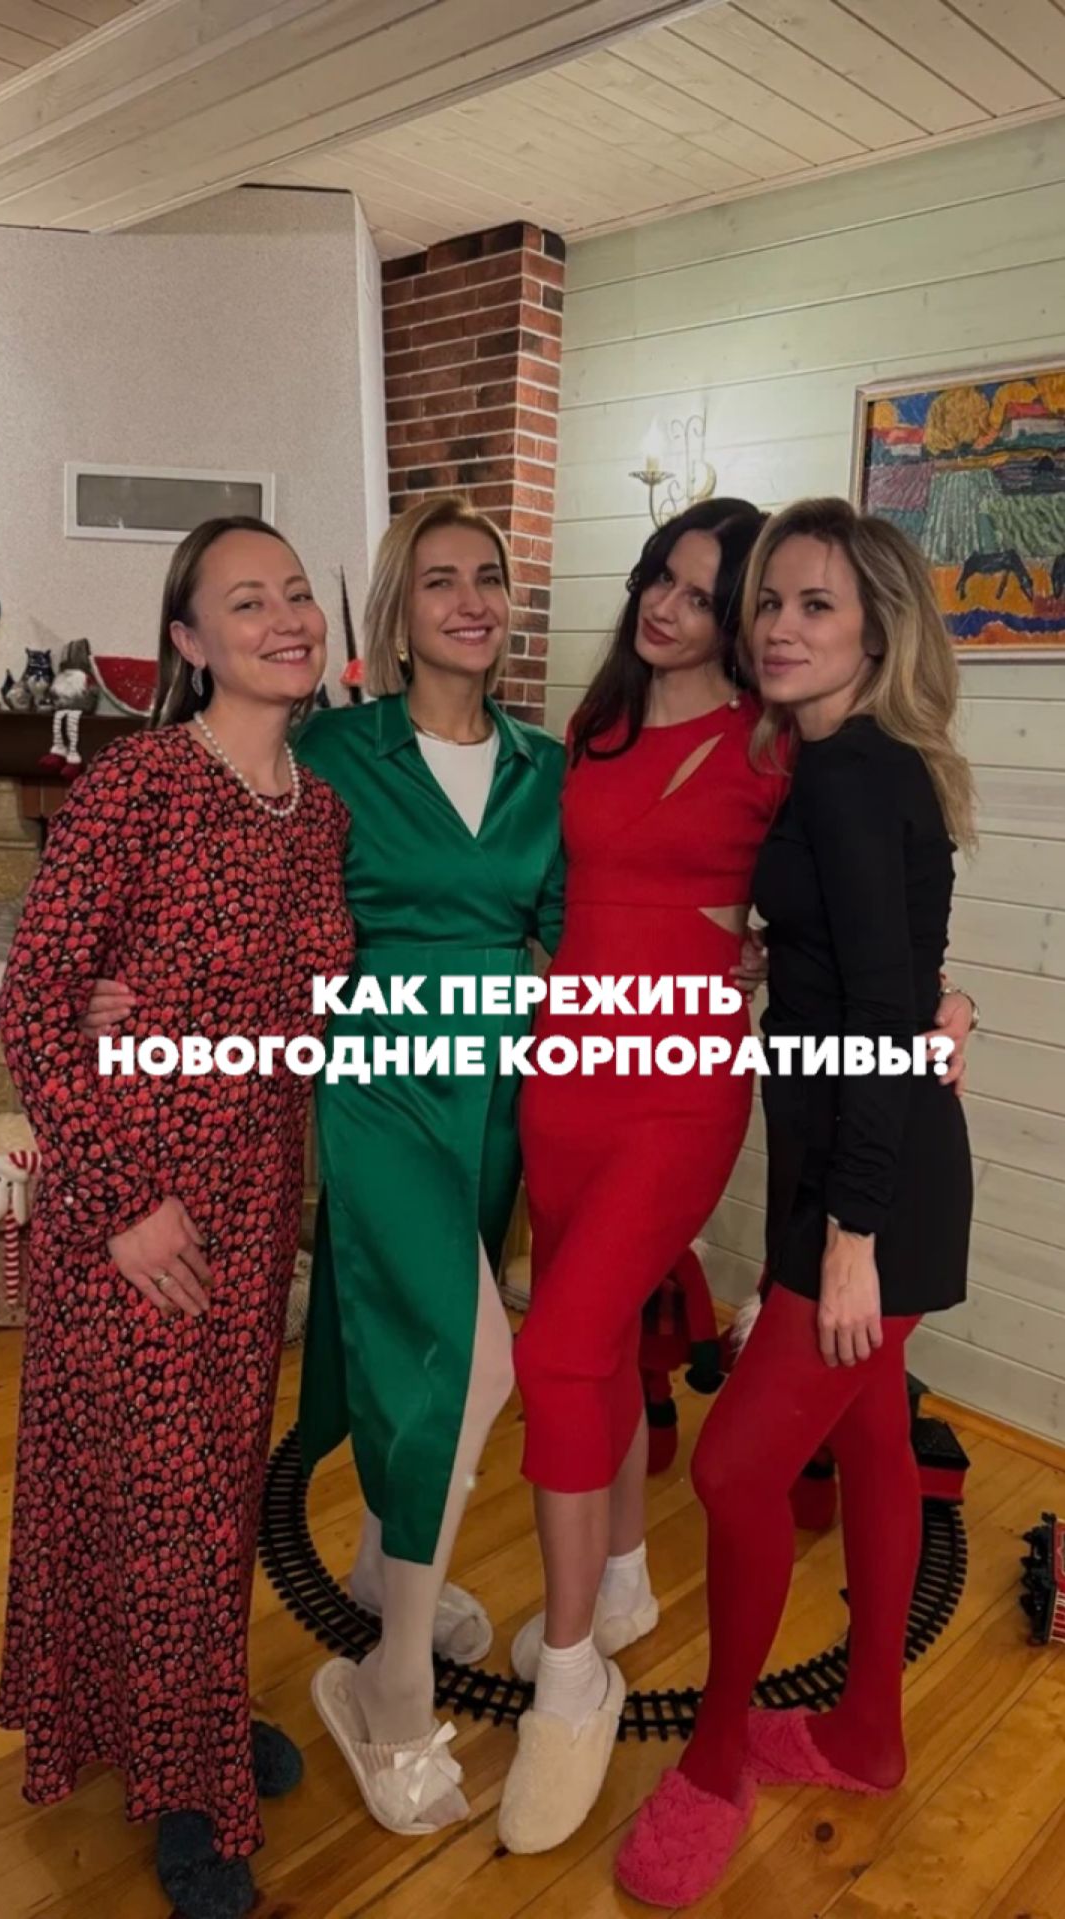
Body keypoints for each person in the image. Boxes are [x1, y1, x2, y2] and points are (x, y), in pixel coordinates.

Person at [498, 498, 974, 1856]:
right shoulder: (838, 761)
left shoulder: (837, 769)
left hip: (862, 1186)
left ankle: (709, 1770)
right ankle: (865, 1733)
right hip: (832, 1157)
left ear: (877, 628)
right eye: (768, 602)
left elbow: (884, 1004)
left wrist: (848, 1235)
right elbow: (877, 966)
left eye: (808, 604)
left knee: (729, 1472)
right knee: (869, 1443)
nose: (775, 627)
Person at [0, 517, 354, 1919]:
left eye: (297, 595)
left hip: (255, 1198)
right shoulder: (139, 783)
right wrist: (124, 1205)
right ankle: (189, 1793)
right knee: (162, 1499)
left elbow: (301, 1009)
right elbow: (35, 1004)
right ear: (190, 642)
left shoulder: (316, 812)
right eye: (246, 602)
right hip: (133, 1207)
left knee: (207, 1492)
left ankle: (182, 1717)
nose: (286, 619)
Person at [292, 495, 566, 1837]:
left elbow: (575, 926)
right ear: (399, 610)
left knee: (419, 1354)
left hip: (497, 1089)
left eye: (489, 578)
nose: (470, 600)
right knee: (473, 1359)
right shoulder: (332, 749)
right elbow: (249, 891)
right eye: (441, 579)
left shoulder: (545, 767)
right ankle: (388, 1681)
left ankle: (375, 1559)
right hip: (382, 1076)